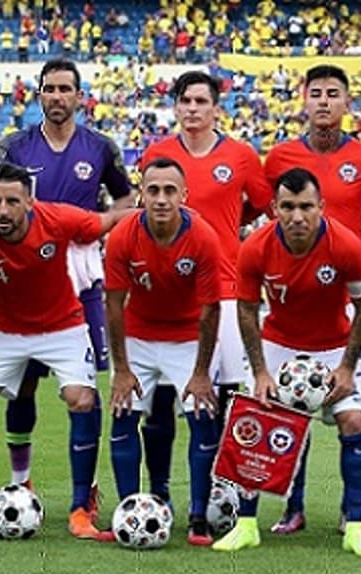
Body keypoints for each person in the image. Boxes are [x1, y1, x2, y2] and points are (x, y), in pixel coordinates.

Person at [0, 58, 133, 530]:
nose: (57, 97)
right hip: (23, 258)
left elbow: (124, 198)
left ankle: (85, 495)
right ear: (39, 95)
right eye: (49, 89)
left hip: (78, 263)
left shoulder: (100, 146)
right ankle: (19, 484)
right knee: (22, 387)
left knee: (83, 391)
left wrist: (108, 237)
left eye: (64, 89)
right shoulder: (16, 144)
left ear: (79, 96)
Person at [212, 168, 361, 558]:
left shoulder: (345, 245)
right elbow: (246, 309)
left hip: (334, 346)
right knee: (254, 422)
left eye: (306, 206)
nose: (297, 216)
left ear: (321, 206)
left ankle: (355, 526)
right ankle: (246, 525)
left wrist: (347, 367)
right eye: (288, 207)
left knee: (354, 421)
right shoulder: (256, 247)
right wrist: (260, 372)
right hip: (279, 344)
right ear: (274, 208)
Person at [138, 71, 272, 506]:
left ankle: (221, 491)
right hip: (166, 294)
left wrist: (226, 227)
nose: (193, 108)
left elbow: (260, 205)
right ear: (175, 107)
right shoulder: (157, 154)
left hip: (226, 289)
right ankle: (159, 491)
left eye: (201, 101)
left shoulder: (241, 155)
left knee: (227, 397)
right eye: (185, 100)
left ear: (217, 107)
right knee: (161, 400)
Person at [262, 63, 361, 535]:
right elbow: (259, 211)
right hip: (292, 302)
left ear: (347, 102)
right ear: (304, 99)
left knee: (351, 413)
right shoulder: (280, 156)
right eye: (317, 93)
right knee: (291, 412)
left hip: (348, 303)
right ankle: (293, 508)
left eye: (334, 93)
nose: (325, 101)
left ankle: (352, 514)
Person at [104, 157, 225, 546]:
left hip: (188, 338)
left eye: (169, 190)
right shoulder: (123, 236)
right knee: (123, 415)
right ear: (140, 194)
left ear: (184, 195)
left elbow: (211, 310)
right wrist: (122, 370)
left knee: (203, 417)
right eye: (153, 190)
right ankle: (128, 510)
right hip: (138, 336)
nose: (160, 198)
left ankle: (198, 518)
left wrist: (201, 373)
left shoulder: (203, 237)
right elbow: (113, 305)